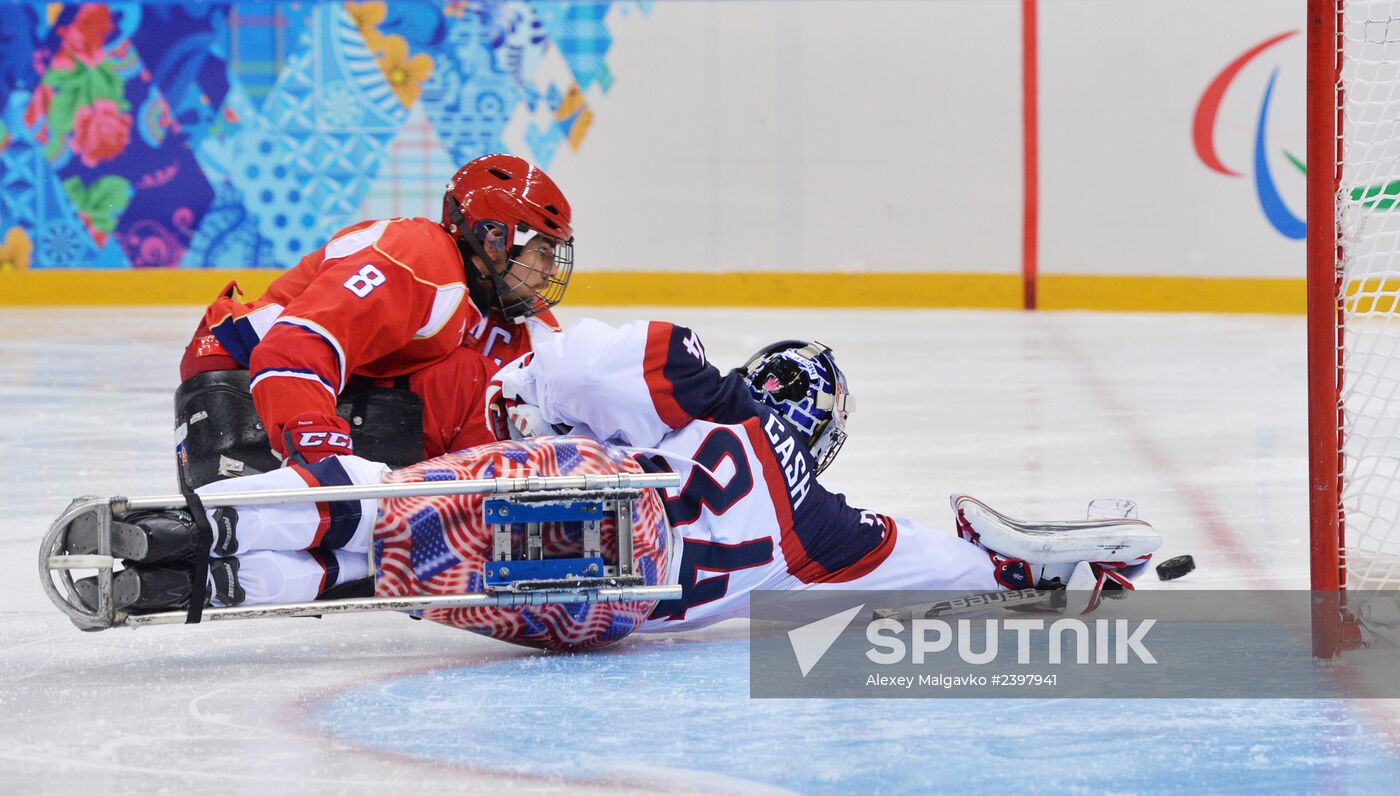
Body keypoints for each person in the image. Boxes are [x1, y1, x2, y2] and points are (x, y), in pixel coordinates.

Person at [70, 323, 1160, 649]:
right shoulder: (823, 530)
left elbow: (587, 361)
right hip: (595, 611)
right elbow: (948, 562)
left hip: (582, 493)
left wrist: (516, 398)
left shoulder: (705, 395)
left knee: (385, 513)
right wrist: (1041, 578)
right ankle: (220, 574)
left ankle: (181, 542)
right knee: (398, 575)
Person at [175, 153, 573, 478]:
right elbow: (292, 348)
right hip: (240, 380)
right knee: (469, 381)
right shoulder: (418, 259)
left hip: (292, 386)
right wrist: (321, 451)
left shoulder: (488, 300)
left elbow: (553, 369)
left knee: (498, 384)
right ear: (495, 238)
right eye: (542, 250)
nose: (551, 270)